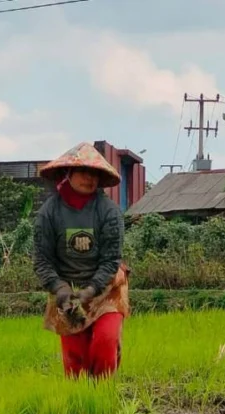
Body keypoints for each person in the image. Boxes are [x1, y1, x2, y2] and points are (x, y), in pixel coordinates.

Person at [32, 142, 130, 379]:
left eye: (95, 173)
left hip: (107, 288)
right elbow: (42, 260)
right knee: (75, 358)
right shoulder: (49, 212)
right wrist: (60, 288)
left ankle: (103, 397)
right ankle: (81, 402)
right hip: (68, 290)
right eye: (84, 172)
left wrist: (91, 289)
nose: (90, 178)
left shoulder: (108, 211)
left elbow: (110, 260)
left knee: (104, 343)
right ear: (69, 173)